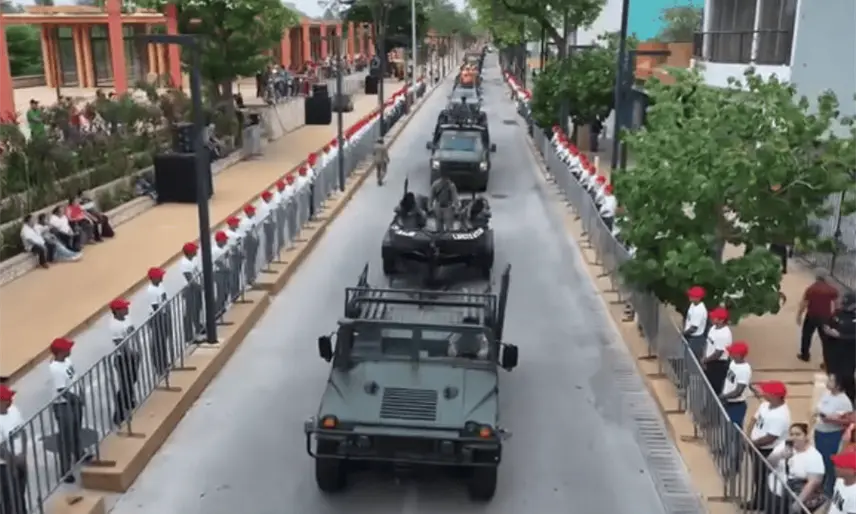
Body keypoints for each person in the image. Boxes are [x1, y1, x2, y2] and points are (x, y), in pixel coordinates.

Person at [744, 381, 792, 511]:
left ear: (775, 396)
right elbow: (754, 420)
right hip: (756, 446)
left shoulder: (781, 415)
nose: (763, 393)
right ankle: (758, 500)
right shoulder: (765, 405)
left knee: (766, 479)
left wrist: (752, 443)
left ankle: (766, 504)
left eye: (767, 392)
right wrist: (748, 436)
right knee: (757, 477)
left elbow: (771, 438)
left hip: (769, 451)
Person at [765, 423, 826, 514]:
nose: (794, 437)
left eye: (798, 434)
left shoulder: (814, 456)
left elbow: (814, 482)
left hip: (796, 497)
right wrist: (779, 455)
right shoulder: (784, 445)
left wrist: (798, 502)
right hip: (775, 492)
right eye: (792, 434)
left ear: (806, 436)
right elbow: (768, 463)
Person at [48, 337, 83, 484]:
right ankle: (65, 470)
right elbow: (62, 390)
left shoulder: (67, 361)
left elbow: (73, 378)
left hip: (74, 401)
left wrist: (80, 395)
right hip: (64, 405)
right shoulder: (55, 368)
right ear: (61, 352)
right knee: (66, 438)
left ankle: (79, 453)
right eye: (67, 348)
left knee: (76, 430)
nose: (70, 349)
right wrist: (76, 400)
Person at [815, 373, 854, 496]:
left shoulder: (844, 401)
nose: (828, 382)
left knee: (829, 463)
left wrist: (832, 420)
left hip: (832, 435)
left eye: (831, 381)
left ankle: (829, 491)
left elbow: (848, 421)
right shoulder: (826, 394)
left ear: (838, 385)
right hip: (820, 432)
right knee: (820, 461)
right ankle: (820, 486)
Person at [108, 298, 139, 426]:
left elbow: (133, 331)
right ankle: (119, 414)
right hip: (123, 358)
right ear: (117, 311)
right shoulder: (115, 326)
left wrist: (137, 350)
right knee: (125, 385)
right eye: (124, 308)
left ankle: (130, 403)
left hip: (132, 355)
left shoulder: (126, 318)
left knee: (132, 380)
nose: (127, 309)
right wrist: (131, 354)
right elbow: (120, 344)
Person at [797, 271, 840, 364]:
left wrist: (799, 315)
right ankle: (826, 361)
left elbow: (804, 304)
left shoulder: (811, 289)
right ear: (826, 278)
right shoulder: (832, 290)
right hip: (826, 317)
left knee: (806, 336)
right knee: (826, 340)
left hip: (811, 316)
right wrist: (836, 316)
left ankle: (805, 355)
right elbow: (837, 304)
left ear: (816, 277)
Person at [0, 385, 27, 514]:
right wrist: (14, 463)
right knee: (9, 500)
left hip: (19, 460)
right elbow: (1, 449)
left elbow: (23, 431)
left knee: (20, 494)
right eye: (7, 399)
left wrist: (23, 454)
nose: (11, 400)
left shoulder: (14, 410)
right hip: (5, 466)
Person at [824, 293, 856, 400]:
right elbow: (829, 324)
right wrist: (828, 331)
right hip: (837, 352)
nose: (844, 306)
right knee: (838, 379)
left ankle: (851, 401)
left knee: (847, 378)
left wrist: (841, 336)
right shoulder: (837, 314)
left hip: (851, 353)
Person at [719, 341, 753, 427]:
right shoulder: (733, 363)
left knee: (734, 430)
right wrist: (723, 393)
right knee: (726, 428)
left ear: (738, 354)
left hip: (737, 405)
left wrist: (723, 396)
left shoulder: (744, 369)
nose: (730, 353)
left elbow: (738, 391)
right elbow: (727, 380)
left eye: (732, 352)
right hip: (727, 402)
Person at [147, 267, 171, 378]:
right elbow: (156, 307)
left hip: (163, 315)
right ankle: (159, 366)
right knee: (158, 343)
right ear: (154, 278)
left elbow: (164, 299)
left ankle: (164, 362)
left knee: (163, 340)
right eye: (160, 275)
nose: (162, 276)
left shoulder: (160, 285)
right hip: (157, 317)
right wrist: (164, 318)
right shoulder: (151, 290)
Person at [702, 307, 731, 394]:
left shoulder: (724, 334)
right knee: (708, 387)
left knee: (715, 389)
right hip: (709, 361)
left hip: (718, 364)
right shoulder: (713, 328)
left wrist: (705, 360)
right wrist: (704, 357)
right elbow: (707, 343)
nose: (711, 318)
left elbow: (718, 353)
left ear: (721, 320)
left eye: (714, 317)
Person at [179, 242, 204, 344]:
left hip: (195, 289)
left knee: (197, 309)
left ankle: (198, 328)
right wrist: (199, 287)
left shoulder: (192, 261)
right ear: (190, 252)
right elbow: (189, 279)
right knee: (190, 312)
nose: (196, 251)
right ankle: (189, 336)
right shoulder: (185, 263)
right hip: (190, 290)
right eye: (194, 250)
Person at [683, 286, 708, 360]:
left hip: (696, 339)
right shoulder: (693, 305)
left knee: (692, 360)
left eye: (692, 296)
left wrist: (682, 334)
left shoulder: (699, 310)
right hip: (690, 337)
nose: (690, 297)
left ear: (698, 298)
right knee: (687, 358)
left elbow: (693, 328)